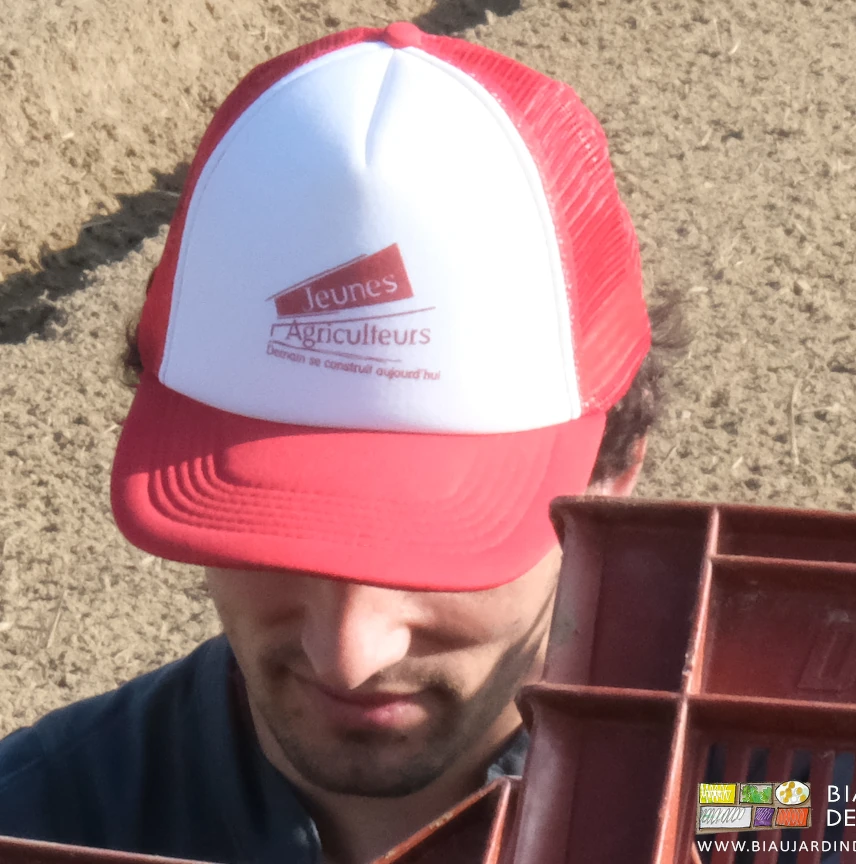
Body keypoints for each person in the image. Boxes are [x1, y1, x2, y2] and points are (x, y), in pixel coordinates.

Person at [0, 21, 684, 864]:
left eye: (434, 549)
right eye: (276, 528)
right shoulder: (34, 824)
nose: (349, 655)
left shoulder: (758, 813)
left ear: (613, 476)